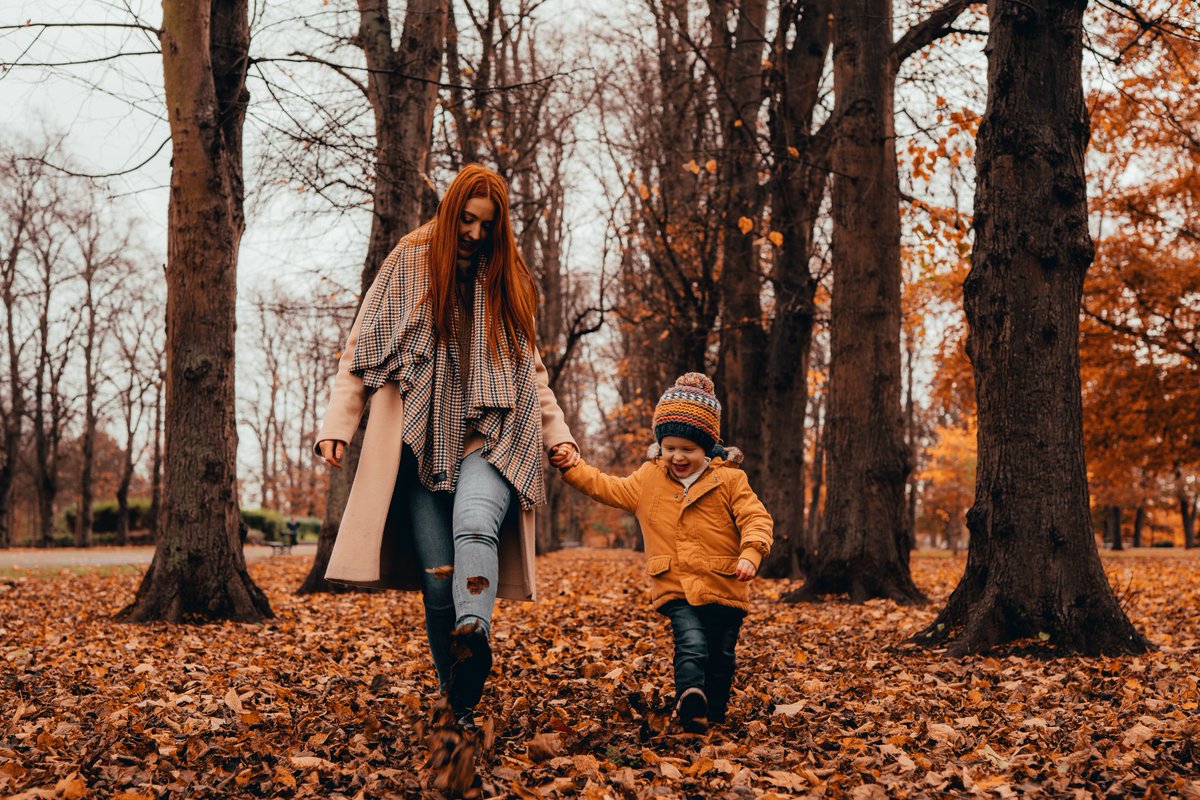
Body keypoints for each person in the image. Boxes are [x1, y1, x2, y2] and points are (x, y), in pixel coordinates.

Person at [315, 164, 577, 725]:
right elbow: (361, 347)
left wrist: (559, 437)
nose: (475, 235)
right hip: (419, 445)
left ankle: (474, 632)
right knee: (438, 584)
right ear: (450, 209)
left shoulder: (506, 276)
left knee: (476, 525)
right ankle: (457, 699)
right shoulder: (407, 263)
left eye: (487, 225)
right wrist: (338, 424)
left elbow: (530, 371)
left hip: (491, 435)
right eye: (467, 220)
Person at [555, 373, 772, 732]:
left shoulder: (730, 480)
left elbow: (756, 518)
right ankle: (690, 698)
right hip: (676, 585)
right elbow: (607, 487)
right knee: (691, 644)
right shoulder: (648, 479)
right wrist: (572, 466)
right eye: (670, 447)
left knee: (721, 657)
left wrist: (751, 553)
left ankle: (713, 714)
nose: (678, 456)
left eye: (688, 449)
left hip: (726, 583)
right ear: (659, 444)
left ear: (708, 447)